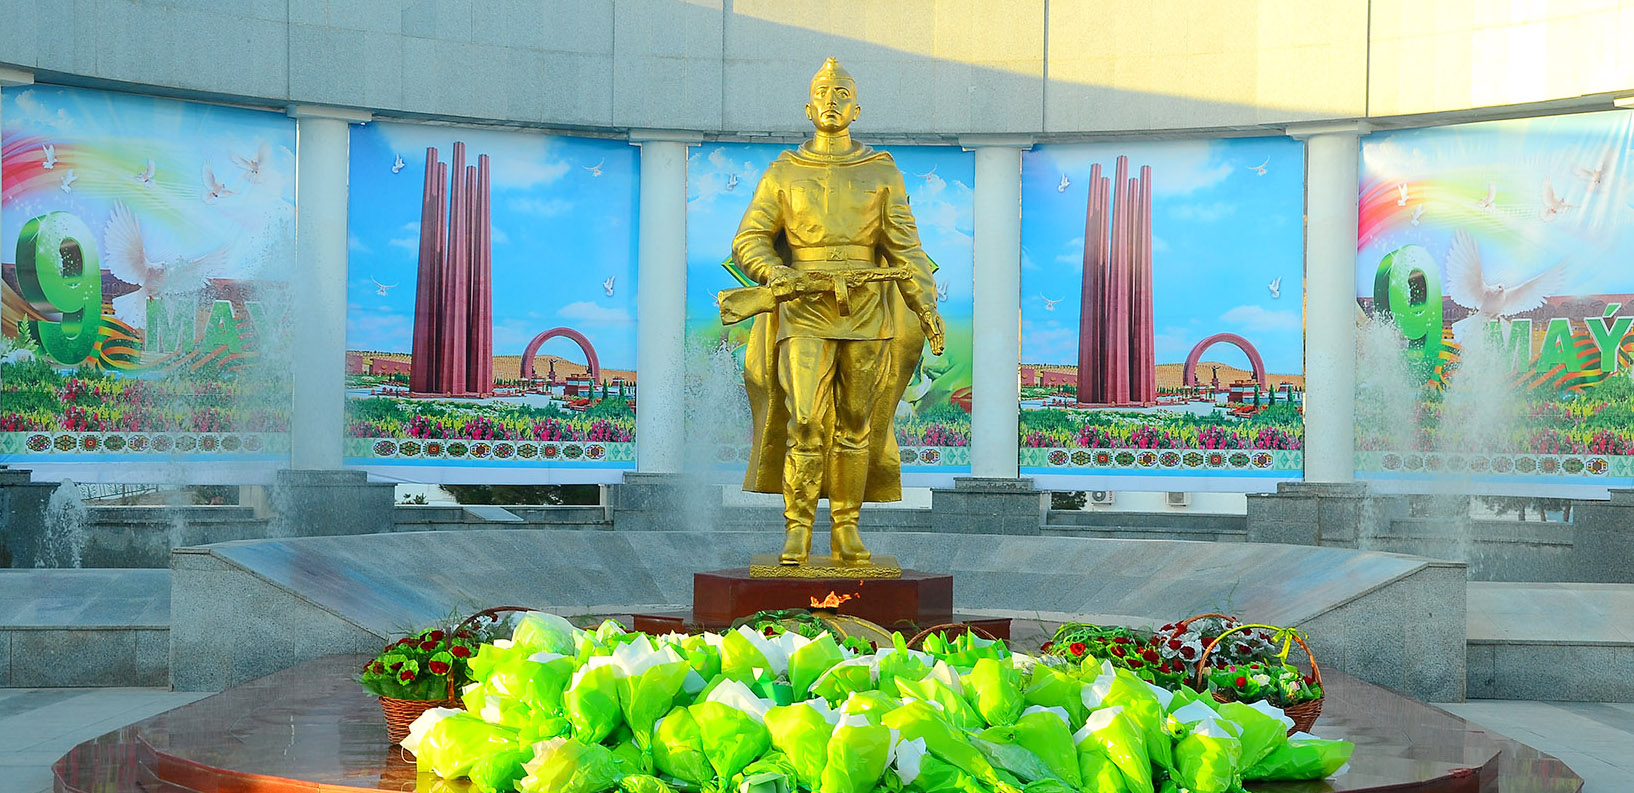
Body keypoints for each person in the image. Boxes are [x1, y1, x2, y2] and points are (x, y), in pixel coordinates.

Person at [730, 57, 944, 566]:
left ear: (856, 109)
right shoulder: (783, 171)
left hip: (868, 312)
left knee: (855, 422)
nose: (831, 101)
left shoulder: (881, 171)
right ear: (808, 108)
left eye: (842, 94)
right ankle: (798, 530)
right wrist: (773, 272)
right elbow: (749, 239)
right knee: (804, 420)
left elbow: (906, 250)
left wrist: (926, 305)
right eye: (822, 94)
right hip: (803, 309)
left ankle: (846, 527)